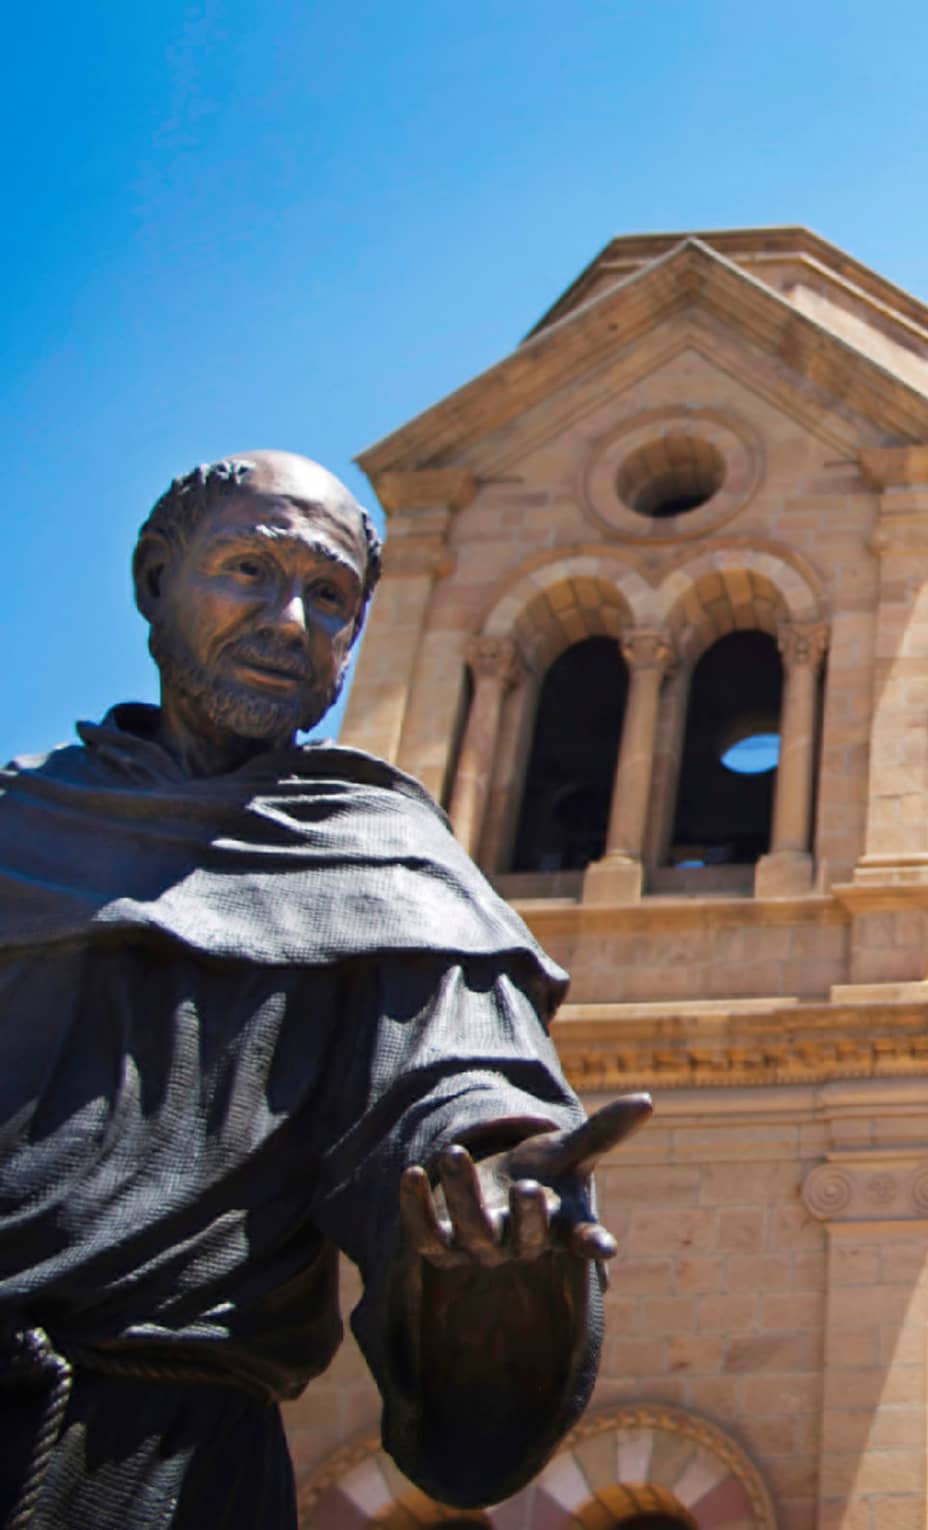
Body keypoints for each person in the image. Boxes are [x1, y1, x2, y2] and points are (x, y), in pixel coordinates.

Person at [0, 451, 649, 1530]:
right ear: (156, 575)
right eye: (249, 569)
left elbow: (457, 1093)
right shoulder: (18, 821)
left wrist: (494, 1223)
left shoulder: (385, 862)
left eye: (332, 596)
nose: (289, 620)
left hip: (160, 1468)